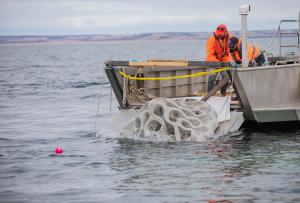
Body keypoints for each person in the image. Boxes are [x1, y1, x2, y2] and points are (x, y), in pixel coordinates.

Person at [206, 24, 233, 95]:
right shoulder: (211, 39)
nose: (220, 36)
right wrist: (217, 63)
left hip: (224, 61)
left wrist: (228, 61)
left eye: (221, 35)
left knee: (226, 76)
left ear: (225, 32)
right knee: (212, 76)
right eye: (219, 35)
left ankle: (223, 93)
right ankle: (209, 94)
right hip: (213, 61)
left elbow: (230, 53)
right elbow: (209, 55)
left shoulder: (229, 38)